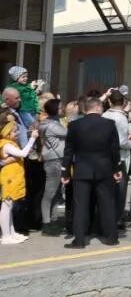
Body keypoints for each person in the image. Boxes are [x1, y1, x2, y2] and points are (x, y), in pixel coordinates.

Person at [61, 97, 122, 248]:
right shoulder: (109, 124)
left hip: (82, 168)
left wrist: (65, 172)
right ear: (99, 107)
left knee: (80, 206)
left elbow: (68, 151)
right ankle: (111, 237)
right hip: (105, 168)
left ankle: (80, 240)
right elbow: (114, 149)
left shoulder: (74, 125)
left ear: (85, 109)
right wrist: (117, 169)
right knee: (107, 204)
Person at [0, 112, 37, 244]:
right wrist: (32, 139)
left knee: (10, 205)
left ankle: (11, 232)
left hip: (14, 177)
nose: (17, 134)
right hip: (9, 177)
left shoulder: (11, 143)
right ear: (7, 132)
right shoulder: (7, 144)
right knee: (6, 205)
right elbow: (23, 153)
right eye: (15, 132)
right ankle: (6, 236)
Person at [102, 91, 131, 227]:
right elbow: (121, 142)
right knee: (120, 191)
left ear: (109, 102)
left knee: (107, 190)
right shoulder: (121, 118)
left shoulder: (104, 115)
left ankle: (105, 219)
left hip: (105, 156)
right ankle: (117, 219)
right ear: (123, 103)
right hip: (120, 157)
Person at [38, 99, 67, 235]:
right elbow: (69, 133)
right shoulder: (53, 126)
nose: (63, 109)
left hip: (55, 160)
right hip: (54, 161)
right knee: (49, 193)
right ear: (55, 109)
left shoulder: (51, 123)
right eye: (61, 107)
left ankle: (53, 220)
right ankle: (46, 223)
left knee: (56, 193)